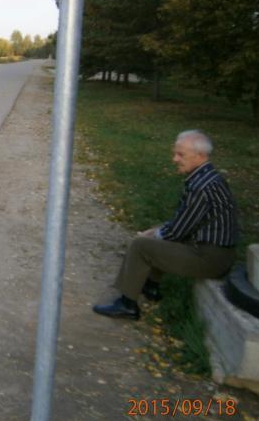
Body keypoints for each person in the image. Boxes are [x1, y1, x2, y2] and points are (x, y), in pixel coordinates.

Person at [93, 130, 239, 320]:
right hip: (215, 251)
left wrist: (152, 235)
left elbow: (178, 231)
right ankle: (150, 287)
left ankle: (127, 304)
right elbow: (185, 222)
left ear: (200, 156)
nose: (175, 159)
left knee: (141, 245)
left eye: (181, 155)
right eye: (175, 153)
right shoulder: (207, 177)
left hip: (210, 258)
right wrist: (157, 231)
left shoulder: (201, 187)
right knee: (159, 231)